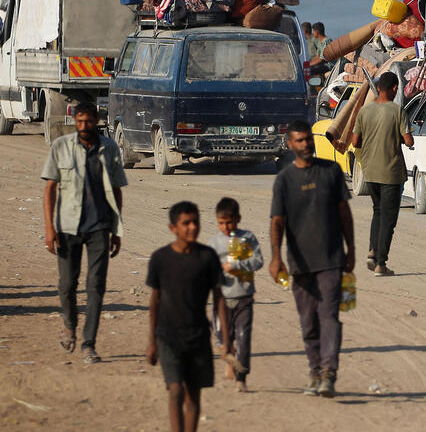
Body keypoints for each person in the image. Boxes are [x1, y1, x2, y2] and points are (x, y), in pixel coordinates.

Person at [269, 120, 355, 397]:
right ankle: (315, 371)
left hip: (331, 259)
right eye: (300, 140)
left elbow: (344, 212)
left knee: (329, 316)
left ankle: (329, 372)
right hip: (300, 263)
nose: (306, 144)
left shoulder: (331, 171)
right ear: (290, 144)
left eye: (308, 139)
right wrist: (275, 258)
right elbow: (277, 222)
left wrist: (351, 248)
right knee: (308, 321)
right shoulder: (284, 180)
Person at [41, 101, 127, 364]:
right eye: (79, 121)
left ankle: (89, 344)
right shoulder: (61, 146)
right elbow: (50, 189)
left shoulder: (109, 149)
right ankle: (69, 325)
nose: (83, 126)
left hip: (100, 227)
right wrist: (49, 228)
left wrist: (116, 230)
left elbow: (117, 190)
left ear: (97, 120)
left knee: (96, 286)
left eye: (88, 121)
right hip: (67, 227)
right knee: (67, 284)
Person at [146, 201, 230, 432]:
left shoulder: (207, 258)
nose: (193, 227)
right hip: (168, 337)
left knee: (193, 396)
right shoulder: (161, 259)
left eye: (195, 222)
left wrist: (226, 340)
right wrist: (152, 341)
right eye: (186, 223)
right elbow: (155, 300)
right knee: (175, 390)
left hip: (198, 337)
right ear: (173, 228)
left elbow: (219, 299)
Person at [352, 72, 414, 276]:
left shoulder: (364, 110)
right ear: (395, 88)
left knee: (378, 211)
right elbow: (409, 141)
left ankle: (372, 250)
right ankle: (381, 263)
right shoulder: (397, 110)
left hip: (369, 171)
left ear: (378, 88)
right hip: (391, 172)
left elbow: (355, 142)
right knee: (388, 219)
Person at [209, 197, 263, 392]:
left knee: (243, 337)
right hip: (221, 298)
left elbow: (258, 261)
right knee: (223, 338)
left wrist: (238, 266)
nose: (225, 227)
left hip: (243, 296)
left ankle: (241, 378)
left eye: (229, 222)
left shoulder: (247, 238)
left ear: (238, 219)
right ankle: (229, 358)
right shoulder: (214, 243)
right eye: (221, 223)